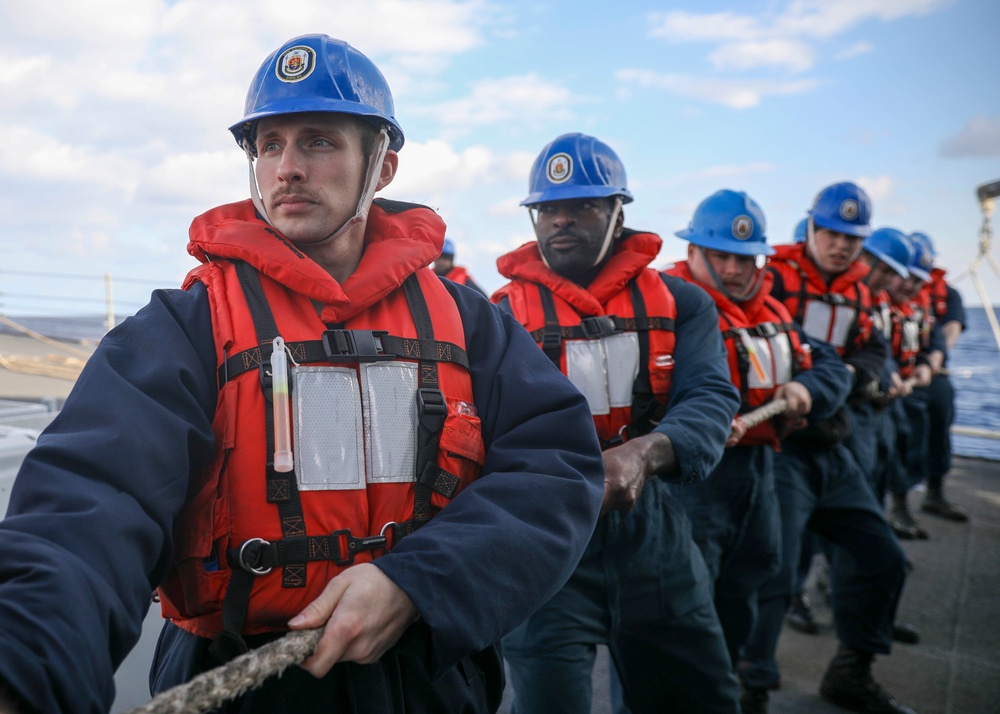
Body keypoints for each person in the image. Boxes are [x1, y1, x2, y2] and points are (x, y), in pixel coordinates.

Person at [0, 35, 606, 714]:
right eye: (268, 145)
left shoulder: (470, 325)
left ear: (381, 168)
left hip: (426, 675)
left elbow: (556, 467)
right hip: (241, 678)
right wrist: (24, 665)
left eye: (318, 141)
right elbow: (89, 504)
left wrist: (417, 583)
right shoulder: (186, 328)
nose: (287, 167)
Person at [492, 133, 742, 714]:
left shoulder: (685, 305)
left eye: (581, 206)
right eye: (548, 209)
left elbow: (709, 396)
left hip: (656, 539)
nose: (561, 221)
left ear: (617, 212)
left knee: (699, 697)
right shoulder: (498, 316)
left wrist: (647, 454)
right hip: (546, 547)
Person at [741, 182, 915, 714]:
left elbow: (873, 349)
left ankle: (850, 670)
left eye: (852, 238)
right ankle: (751, 686)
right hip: (784, 447)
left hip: (833, 443)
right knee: (777, 568)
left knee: (882, 557)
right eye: (832, 233)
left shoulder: (864, 292)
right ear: (812, 229)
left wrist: (845, 380)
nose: (841, 246)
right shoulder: (775, 278)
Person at [665, 190, 850, 683]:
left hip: (758, 471)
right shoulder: (664, 310)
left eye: (743, 259)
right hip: (691, 481)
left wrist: (806, 389)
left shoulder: (775, 313)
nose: (732, 269)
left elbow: (834, 367)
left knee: (751, 577)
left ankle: (731, 683)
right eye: (720, 256)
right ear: (692, 254)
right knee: (687, 599)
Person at [911, 231, 968, 522]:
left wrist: (934, 356)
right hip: (903, 374)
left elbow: (951, 327)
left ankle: (935, 491)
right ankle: (897, 501)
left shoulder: (948, 295)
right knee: (902, 433)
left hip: (935, 373)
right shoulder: (900, 289)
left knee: (939, 422)